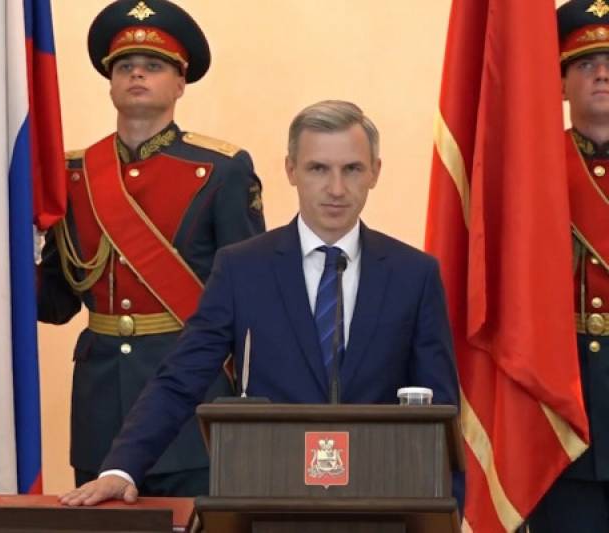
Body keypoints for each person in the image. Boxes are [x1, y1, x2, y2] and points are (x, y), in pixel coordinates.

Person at [59, 100, 461, 506]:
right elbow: (181, 377)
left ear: (375, 171)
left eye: (352, 169)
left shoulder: (415, 275)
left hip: (380, 502)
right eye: (318, 169)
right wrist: (122, 469)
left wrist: (448, 510)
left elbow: (441, 408)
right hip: (270, 496)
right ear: (291, 170)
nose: (337, 188)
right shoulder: (242, 268)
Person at [37, 0, 266, 497]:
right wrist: (4, 255)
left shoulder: (222, 170)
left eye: (153, 65)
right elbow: (55, 303)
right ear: (110, 82)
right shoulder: (73, 176)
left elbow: (251, 298)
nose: (137, 73)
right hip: (100, 404)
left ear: (181, 82)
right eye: (125, 66)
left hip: (191, 402)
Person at [527, 2, 609, 530]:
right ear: (559, 84)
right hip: (563, 410)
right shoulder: (533, 170)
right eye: (585, 63)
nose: (601, 74)